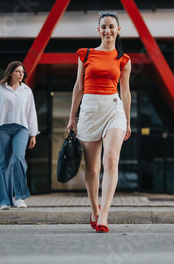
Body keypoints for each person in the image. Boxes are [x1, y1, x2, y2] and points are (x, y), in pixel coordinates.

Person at [67, 12, 132, 233]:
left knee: (111, 159)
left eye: (111, 26)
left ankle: (104, 215)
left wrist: (128, 120)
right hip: (89, 111)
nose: (107, 30)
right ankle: (94, 209)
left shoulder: (124, 59)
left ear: (118, 29)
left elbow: (126, 92)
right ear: (98, 30)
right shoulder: (85, 54)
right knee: (93, 169)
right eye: (103, 27)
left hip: (114, 109)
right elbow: (78, 87)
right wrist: (71, 117)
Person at [0, 61, 39, 210]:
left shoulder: (26, 90)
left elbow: (31, 113)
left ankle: (20, 197)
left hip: (21, 129)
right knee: (4, 164)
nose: (21, 74)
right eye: (18, 71)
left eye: (23, 72)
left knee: (18, 159)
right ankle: (5, 201)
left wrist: (33, 134)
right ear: (10, 73)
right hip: (2, 129)